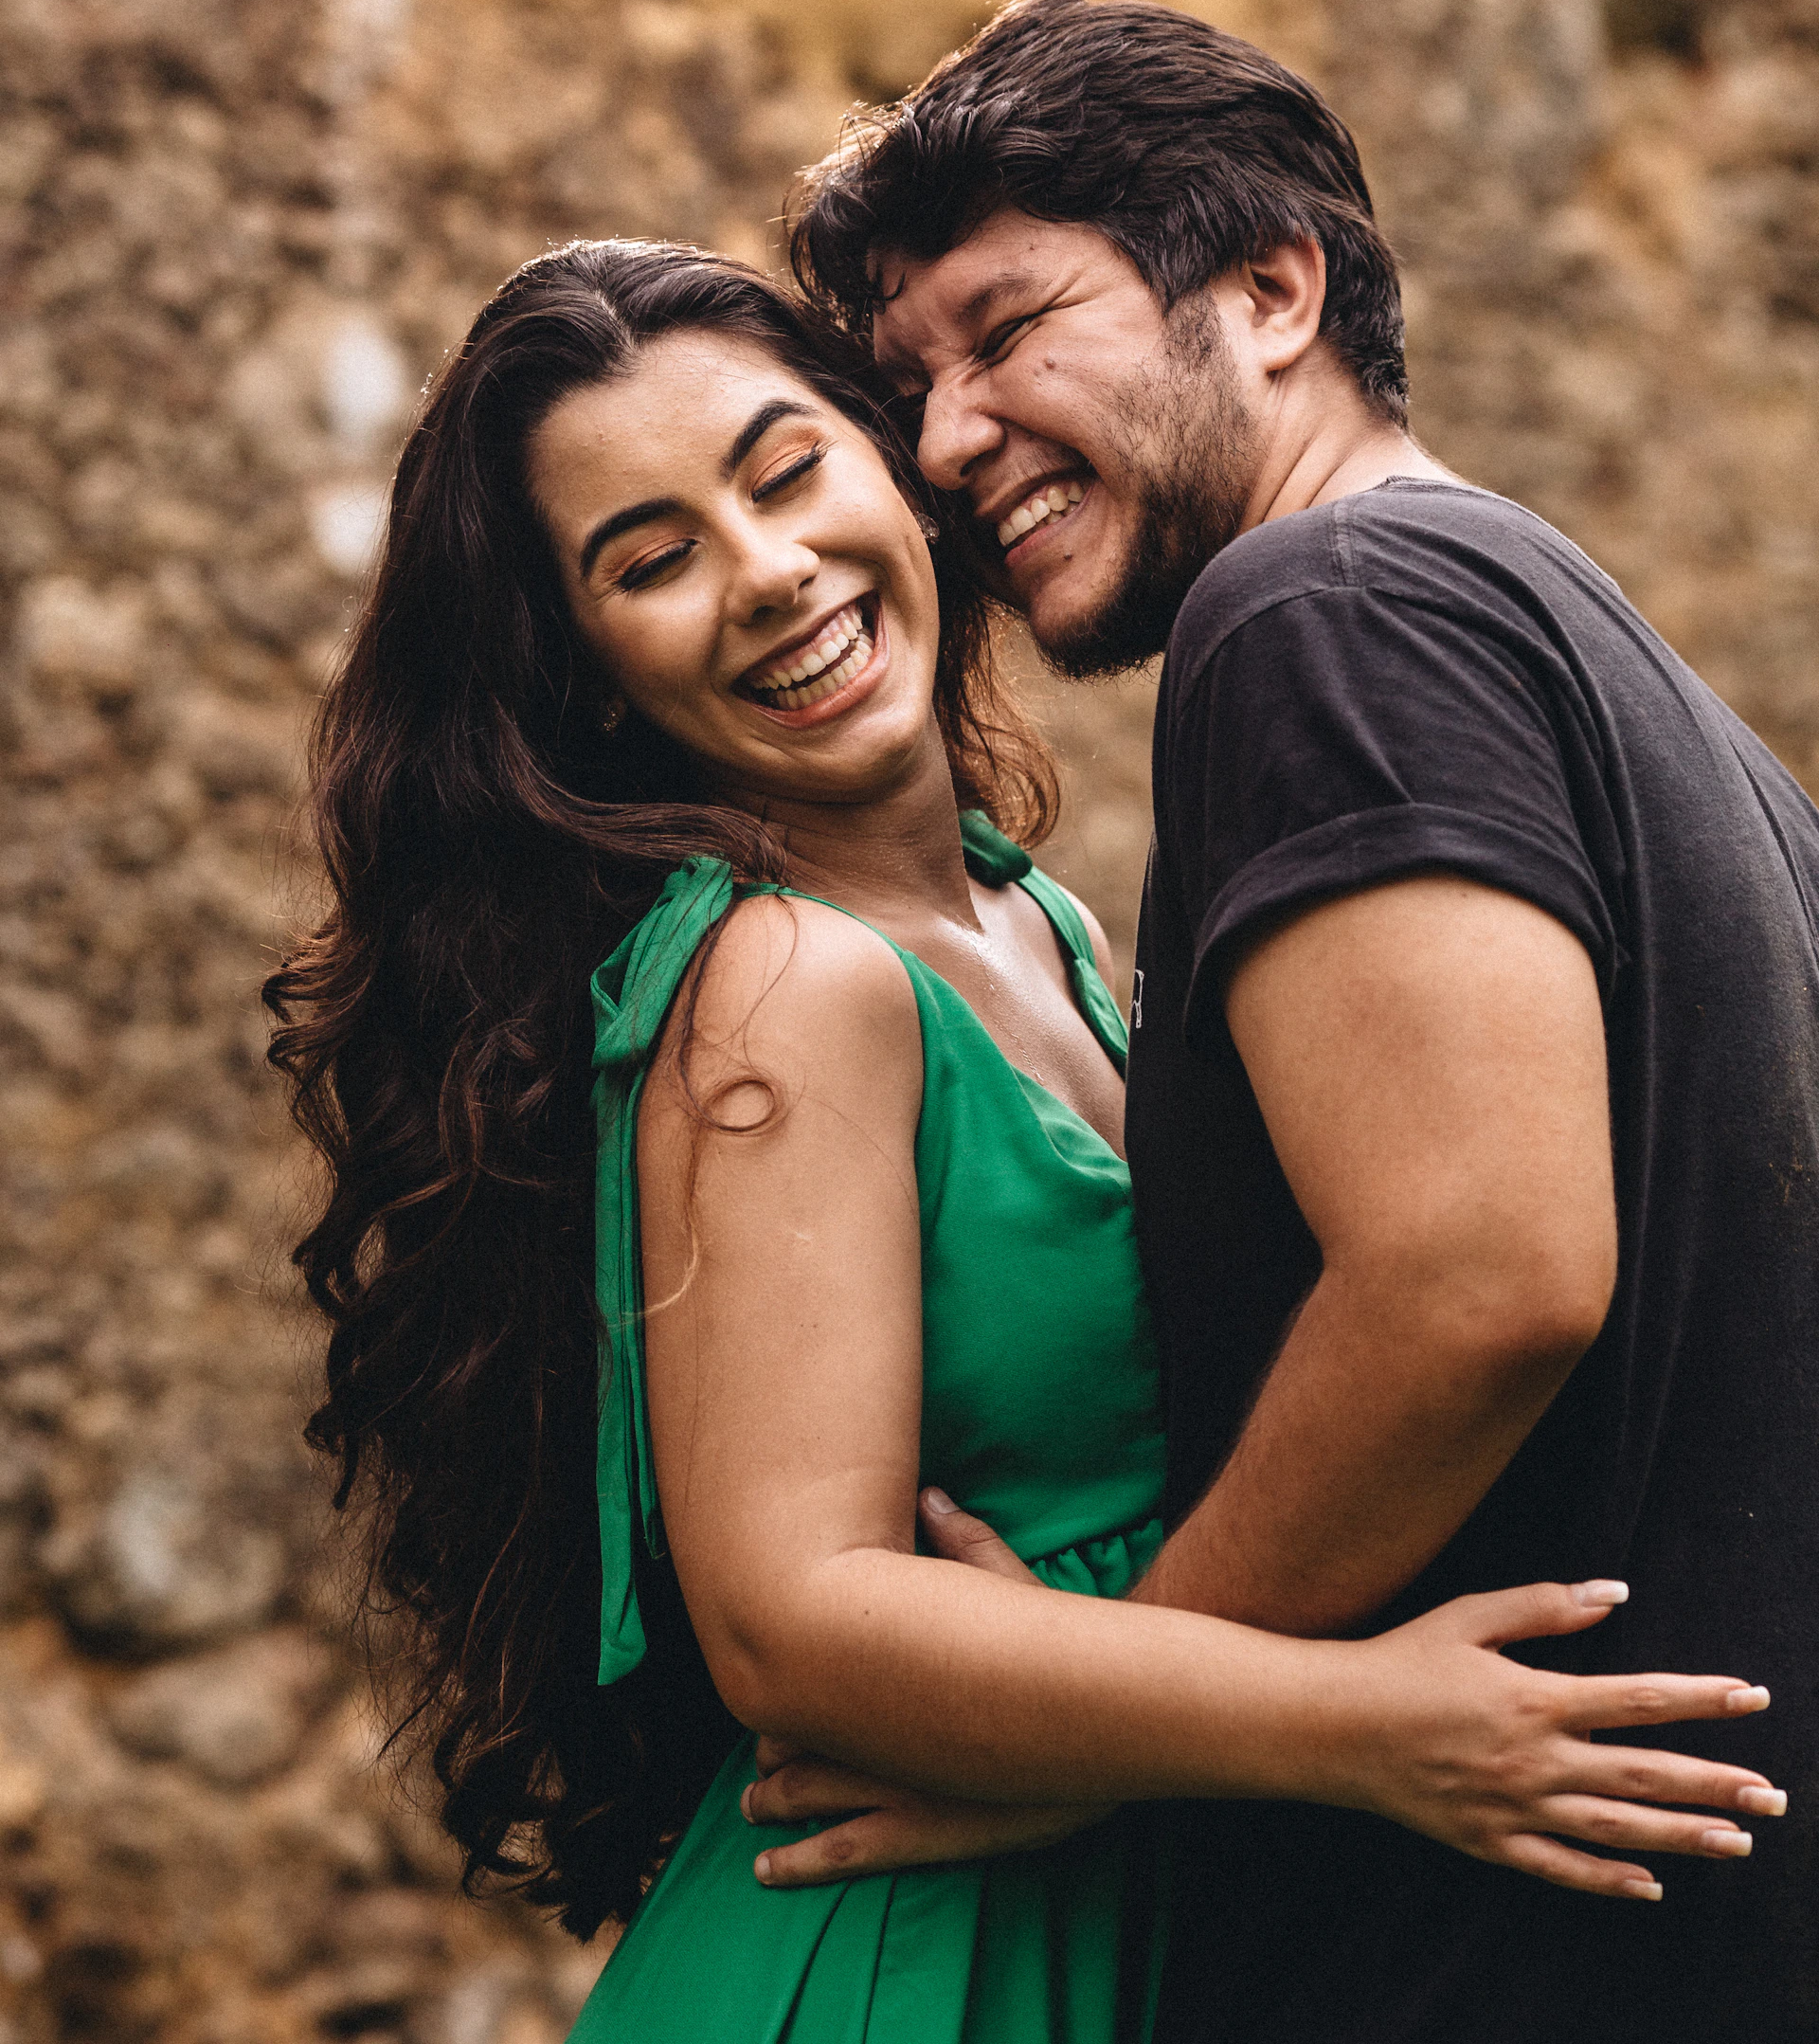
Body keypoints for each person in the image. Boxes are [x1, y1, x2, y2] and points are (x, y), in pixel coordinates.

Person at [264, 240, 1778, 2044]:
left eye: (788, 470)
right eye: (651, 562)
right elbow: (796, 1622)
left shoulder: (1034, 921)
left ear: (898, 477)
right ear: (589, 679)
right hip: (918, 1956)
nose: (768, 575)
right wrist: (1371, 1726)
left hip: (1108, 1888)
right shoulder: (781, 981)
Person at [781, 0, 1819, 2044]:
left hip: (1506, 1957)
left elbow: (1479, 1268)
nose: (942, 445)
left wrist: (1110, 1715)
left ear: (1271, 289)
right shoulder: (1644, 693)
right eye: (912, 384)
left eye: (1003, 335)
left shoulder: (1319, 613)